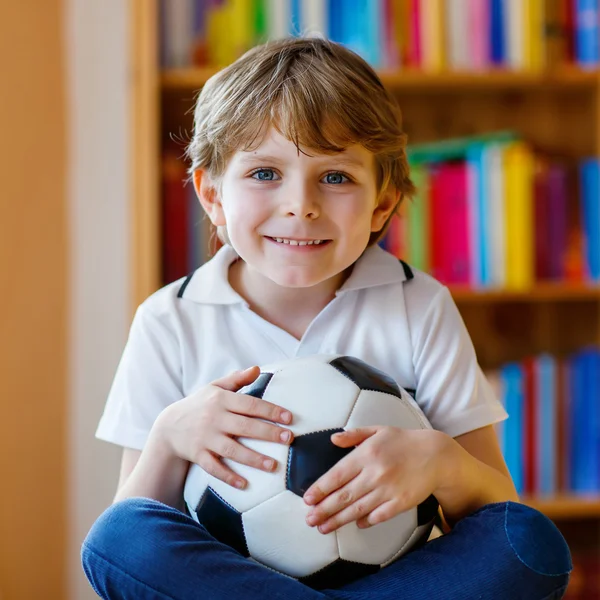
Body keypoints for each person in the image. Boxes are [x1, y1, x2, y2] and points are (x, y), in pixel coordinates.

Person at [82, 37, 572, 600]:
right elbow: (137, 528)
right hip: (228, 586)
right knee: (115, 539)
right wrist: (170, 438)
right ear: (212, 194)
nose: (301, 204)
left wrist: (441, 464)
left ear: (381, 205)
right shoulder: (170, 319)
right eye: (265, 173)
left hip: (402, 581)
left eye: (336, 177)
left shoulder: (420, 306)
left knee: (526, 542)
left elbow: (495, 510)